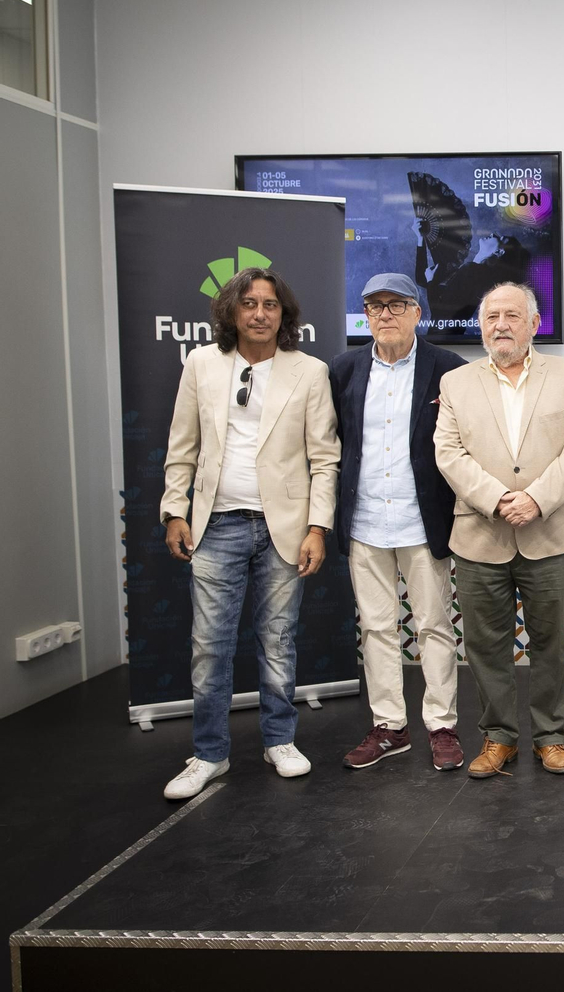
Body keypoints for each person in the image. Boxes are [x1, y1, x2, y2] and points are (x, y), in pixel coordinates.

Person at [159, 267, 339, 800]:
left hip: (283, 528)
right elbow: (181, 446)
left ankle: (279, 740)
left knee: (278, 642)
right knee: (209, 647)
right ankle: (209, 754)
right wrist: (175, 510)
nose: (260, 313)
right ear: (232, 312)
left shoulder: (309, 371)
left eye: (271, 305)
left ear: (284, 315)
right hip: (214, 525)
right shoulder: (202, 365)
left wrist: (317, 527)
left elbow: (324, 459)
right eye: (250, 304)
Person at [434, 282, 564, 777]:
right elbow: (448, 452)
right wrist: (499, 499)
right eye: (490, 318)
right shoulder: (456, 383)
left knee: (550, 642)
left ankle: (550, 736)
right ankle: (498, 737)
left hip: (550, 534)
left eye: (510, 315)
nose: (500, 325)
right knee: (486, 646)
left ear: (533, 323)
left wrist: (536, 500)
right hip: (480, 535)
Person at [329, 273, 467, 773]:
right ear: (365, 315)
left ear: (417, 312)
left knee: (434, 625)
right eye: (374, 306)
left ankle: (442, 725)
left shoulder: (448, 368)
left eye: (396, 305)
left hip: (422, 521)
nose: (384, 314)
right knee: (376, 629)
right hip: (365, 520)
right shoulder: (343, 370)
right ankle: (389, 727)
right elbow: (335, 445)